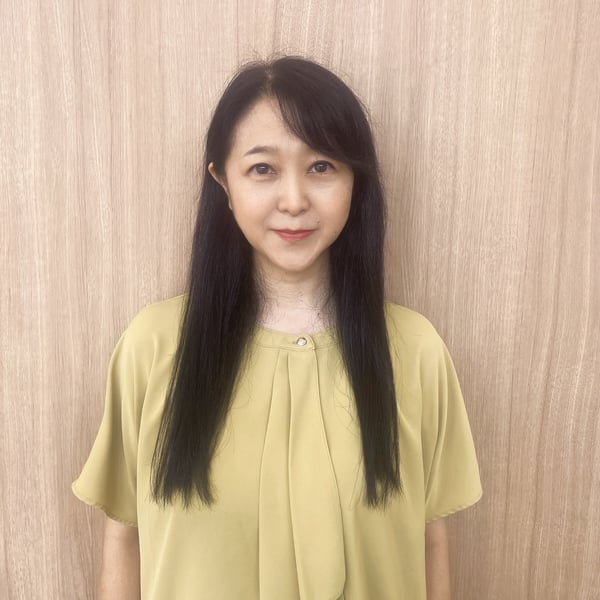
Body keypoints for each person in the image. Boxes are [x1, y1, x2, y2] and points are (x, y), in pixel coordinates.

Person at [72, 56, 482, 600]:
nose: (294, 201)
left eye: (322, 167)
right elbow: (124, 540)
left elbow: (431, 543)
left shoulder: (415, 352)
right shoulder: (153, 347)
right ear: (223, 181)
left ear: (355, 181)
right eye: (263, 169)